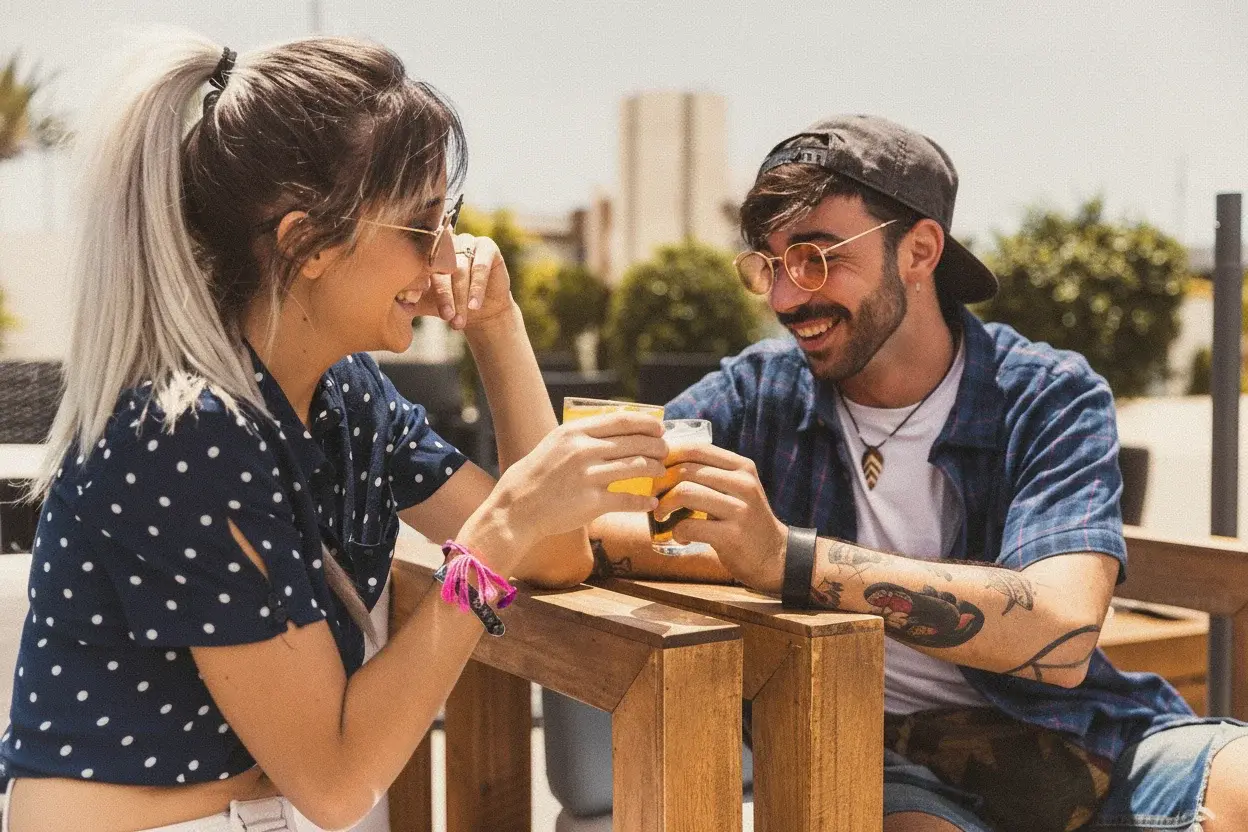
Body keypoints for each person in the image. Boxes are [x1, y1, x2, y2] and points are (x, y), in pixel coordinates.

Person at [0, 32, 666, 832]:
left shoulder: (348, 396)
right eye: (420, 227)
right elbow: (337, 779)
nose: (447, 253)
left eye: (448, 217)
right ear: (306, 243)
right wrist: (491, 545)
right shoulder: (182, 430)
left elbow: (556, 555)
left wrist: (497, 328)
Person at [590, 115, 1248, 832]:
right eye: (771, 265)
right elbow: (585, 511)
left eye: (814, 257)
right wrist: (728, 553)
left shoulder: (1046, 392)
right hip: (874, 753)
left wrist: (782, 558)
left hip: (1083, 732)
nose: (784, 298)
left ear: (920, 250)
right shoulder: (758, 395)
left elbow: (1058, 636)